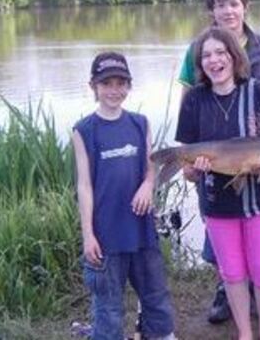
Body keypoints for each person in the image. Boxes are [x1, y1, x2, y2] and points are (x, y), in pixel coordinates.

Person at [177, 0, 260, 324]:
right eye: (220, 4)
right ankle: (228, 289)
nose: (227, 10)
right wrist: (189, 161)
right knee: (223, 241)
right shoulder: (196, 52)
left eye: (233, 3)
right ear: (211, 10)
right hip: (215, 160)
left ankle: (259, 297)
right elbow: (188, 116)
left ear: (245, 6)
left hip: (258, 162)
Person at [72, 52, 176, 340]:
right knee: (108, 307)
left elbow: (150, 166)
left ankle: (162, 335)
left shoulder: (140, 123)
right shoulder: (84, 130)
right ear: (93, 86)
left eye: (121, 83)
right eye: (106, 83)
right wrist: (88, 235)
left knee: (155, 293)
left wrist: (147, 185)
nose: (114, 90)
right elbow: (84, 186)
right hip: (106, 234)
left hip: (142, 230)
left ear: (129, 86)